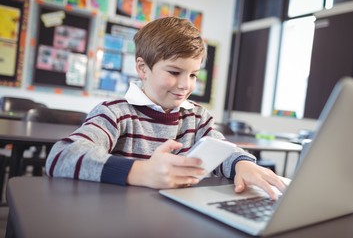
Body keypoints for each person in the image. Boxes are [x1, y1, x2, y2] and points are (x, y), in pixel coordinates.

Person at [46, 17, 286, 200]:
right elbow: (61, 156)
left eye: (193, 74)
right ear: (142, 68)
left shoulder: (198, 118)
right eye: (174, 72)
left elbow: (224, 151)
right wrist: (141, 172)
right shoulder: (115, 113)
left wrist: (242, 164)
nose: (185, 85)